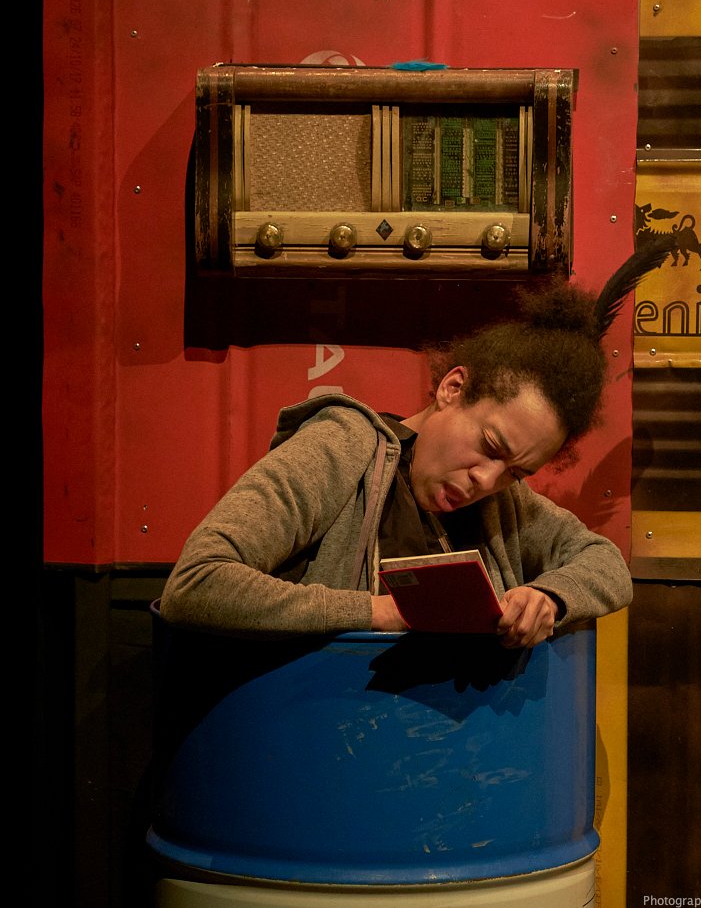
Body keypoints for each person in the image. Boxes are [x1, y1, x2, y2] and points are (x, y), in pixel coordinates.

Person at [161, 249, 666, 648]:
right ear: (453, 388)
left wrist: (548, 597)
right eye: (490, 446)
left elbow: (605, 563)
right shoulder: (341, 448)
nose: (487, 480)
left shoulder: (504, 504)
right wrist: (379, 612)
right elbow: (198, 583)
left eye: (516, 472)